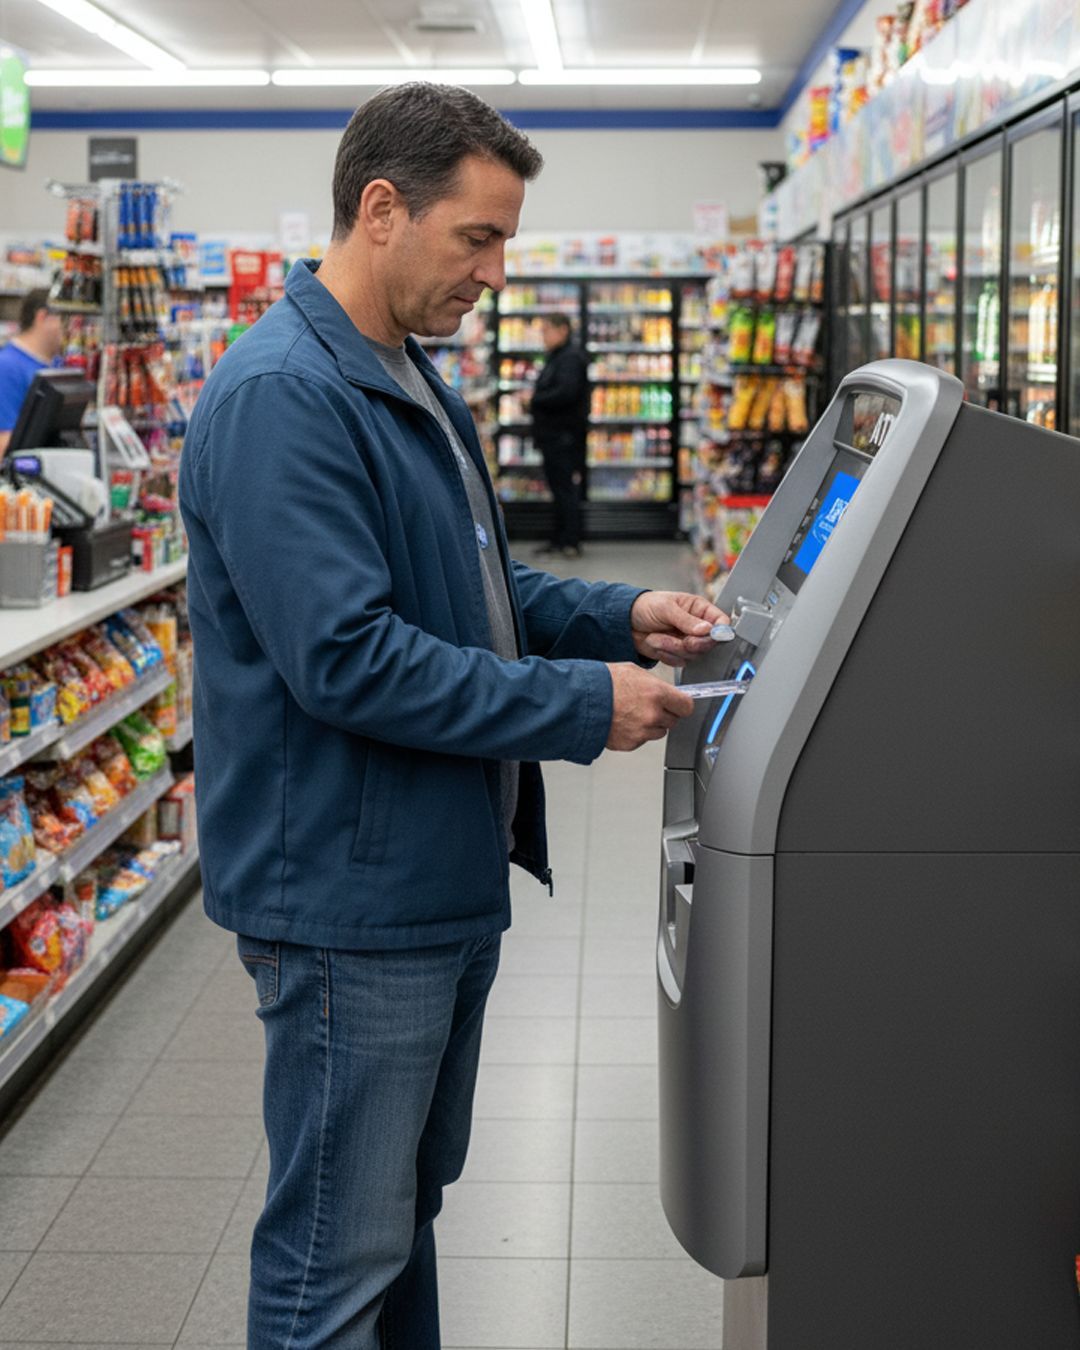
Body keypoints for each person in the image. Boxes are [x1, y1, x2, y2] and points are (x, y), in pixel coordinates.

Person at [179, 81, 727, 1350]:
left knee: (394, 1223)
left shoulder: (406, 376)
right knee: (334, 1259)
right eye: (476, 237)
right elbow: (352, 661)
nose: (494, 269)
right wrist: (583, 706)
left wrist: (617, 616)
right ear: (383, 209)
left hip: (427, 876)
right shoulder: (286, 397)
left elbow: (473, 585)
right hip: (346, 900)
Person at [529, 312, 589, 558]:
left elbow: (566, 393)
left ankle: (570, 541)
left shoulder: (570, 358)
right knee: (558, 488)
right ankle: (559, 539)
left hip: (563, 437)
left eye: (546, 331)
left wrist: (533, 400)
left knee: (565, 489)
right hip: (554, 436)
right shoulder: (558, 356)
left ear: (562, 330)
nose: (543, 336)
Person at [0, 289, 64, 454]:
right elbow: (4, 443)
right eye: (64, 319)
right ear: (43, 317)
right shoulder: (7, 367)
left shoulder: (59, 364)